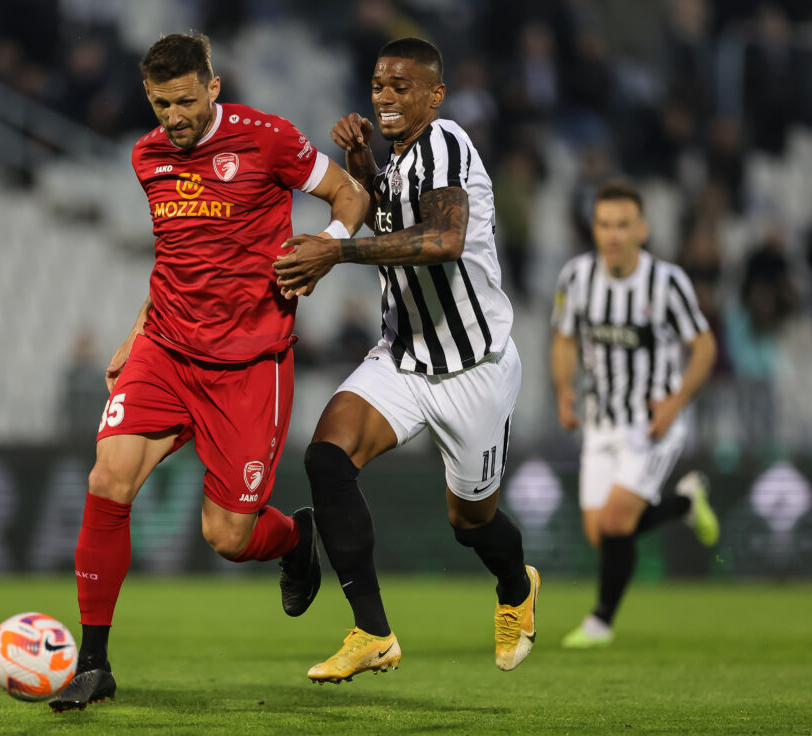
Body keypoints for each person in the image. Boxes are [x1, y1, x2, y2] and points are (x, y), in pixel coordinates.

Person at [48, 32, 368, 711]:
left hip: (249, 365)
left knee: (227, 536)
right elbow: (176, 257)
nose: (174, 116)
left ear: (213, 87)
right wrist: (133, 338)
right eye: (162, 104)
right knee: (107, 478)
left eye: (186, 100)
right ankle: (94, 663)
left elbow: (349, 193)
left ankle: (293, 537)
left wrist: (329, 247)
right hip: (165, 350)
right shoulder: (147, 157)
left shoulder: (268, 139)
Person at [273, 37, 540, 683]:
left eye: (401, 86)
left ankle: (515, 587)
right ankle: (372, 630)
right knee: (327, 457)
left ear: (435, 95)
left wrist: (335, 253)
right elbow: (391, 222)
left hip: (473, 367)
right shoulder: (396, 160)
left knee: (470, 522)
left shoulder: (446, 141)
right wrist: (362, 168)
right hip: (403, 357)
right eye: (378, 85)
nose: (385, 97)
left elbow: (444, 240)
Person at [550, 180, 720, 649]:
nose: (613, 234)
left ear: (642, 229)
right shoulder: (576, 277)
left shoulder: (667, 282)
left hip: (651, 421)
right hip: (600, 420)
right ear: (594, 229)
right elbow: (564, 338)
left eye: (623, 225)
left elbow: (703, 346)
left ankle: (600, 622)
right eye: (605, 224)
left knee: (617, 523)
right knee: (599, 534)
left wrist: (675, 402)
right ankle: (685, 503)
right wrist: (564, 391)